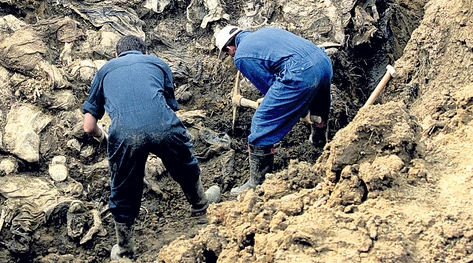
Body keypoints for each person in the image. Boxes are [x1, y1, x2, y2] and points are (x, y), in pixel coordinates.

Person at [82, 35, 220, 261]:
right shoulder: (158, 63)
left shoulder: (105, 70)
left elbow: (88, 127)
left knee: (123, 187)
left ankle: (125, 251)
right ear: (145, 53)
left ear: (116, 55)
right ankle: (201, 206)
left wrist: (104, 136)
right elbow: (169, 105)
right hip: (163, 126)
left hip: (125, 134)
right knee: (185, 164)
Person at [215, 25, 332, 196]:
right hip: (323, 62)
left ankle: (257, 183)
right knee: (319, 108)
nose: (230, 55)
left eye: (228, 53)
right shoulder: (266, 31)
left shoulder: (241, 56)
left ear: (229, 48)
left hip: (300, 74)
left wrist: (293, 107)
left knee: (261, 123)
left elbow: (269, 84)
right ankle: (319, 141)